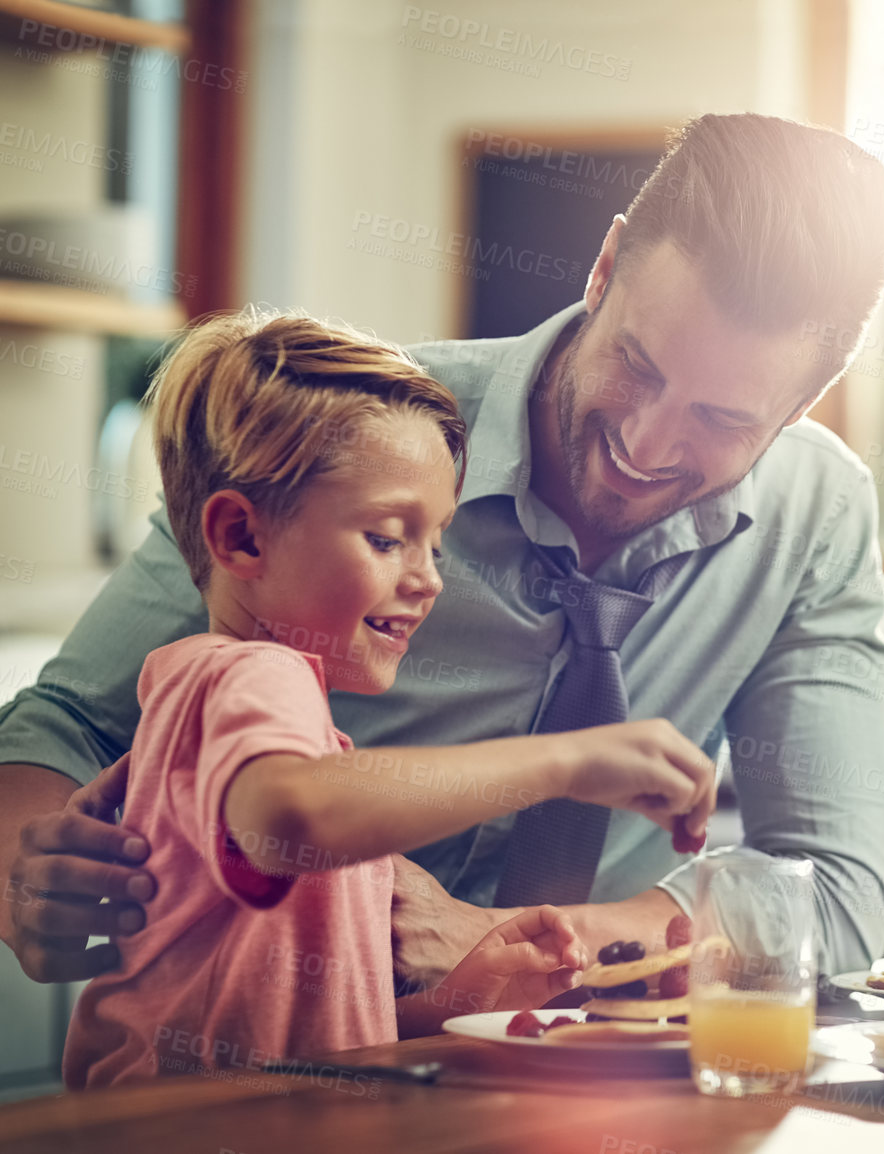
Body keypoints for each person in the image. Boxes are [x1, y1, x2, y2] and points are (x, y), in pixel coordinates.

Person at [0, 113, 884, 994]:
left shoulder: (817, 511)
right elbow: (64, 726)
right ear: (604, 267)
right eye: (638, 362)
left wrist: (517, 948)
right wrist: (25, 866)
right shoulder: (354, 440)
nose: (647, 442)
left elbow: (831, 891)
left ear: (797, 411)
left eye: (723, 419)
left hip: (584, 1076)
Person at [62, 310, 716, 1087]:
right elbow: (283, 822)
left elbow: (307, 1033)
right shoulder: (247, 681)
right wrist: (567, 762)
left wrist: (461, 1000)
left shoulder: (298, 741)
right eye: (385, 538)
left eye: (436, 542)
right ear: (241, 537)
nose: (428, 577)